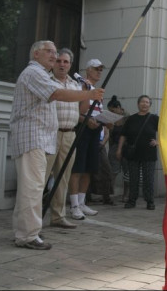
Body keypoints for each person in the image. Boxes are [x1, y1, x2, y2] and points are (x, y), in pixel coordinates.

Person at [10, 40, 103, 250]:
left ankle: (23, 230)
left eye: (55, 52)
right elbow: (57, 94)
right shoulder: (34, 73)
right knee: (33, 187)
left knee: (31, 187)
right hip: (32, 138)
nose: (53, 55)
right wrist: (89, 94)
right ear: (35, 54)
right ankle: (28, 235)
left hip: (40, 138)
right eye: (49, 52)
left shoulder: (41, 74)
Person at [44, 48, 84, 229]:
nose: (61, 64)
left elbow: (81, 110)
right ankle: (34, 218)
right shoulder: (46, 81)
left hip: (70, 134)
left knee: (63, 177)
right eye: (59, 61)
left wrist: (90, 93)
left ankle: (58, 216)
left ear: (70, 64)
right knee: (41, 178)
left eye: (65, 62)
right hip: (50, 133)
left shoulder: (76, 85)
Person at [68, 59, 105, 220]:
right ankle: (74, 204)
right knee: (78, 167)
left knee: (89, 168)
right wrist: (86, 120)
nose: (99, 72)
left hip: (95, 129)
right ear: (88, 70)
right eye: (96, 69)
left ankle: (82, 201)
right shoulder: (82, 85)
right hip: (82, 129)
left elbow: (97, 111)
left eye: (101, 69)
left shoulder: (95, 89)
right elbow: (77, 110)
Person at [118, 95, 160, 210]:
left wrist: (158, 141)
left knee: (148, 178)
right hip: (133, 153)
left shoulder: (154, 118)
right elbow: (123, 135)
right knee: (133, 178)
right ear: (138, 104)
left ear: (150, 105)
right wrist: (119, 149)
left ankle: (150, 201)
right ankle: (132, 200)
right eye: (142, 102)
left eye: (147, 102)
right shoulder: (131, 119)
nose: (144, 104)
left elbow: (166, 130)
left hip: (149, 153)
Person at [102, 96, 128, 203]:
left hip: (127, 148)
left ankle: (126, 195)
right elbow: (109, 134)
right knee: (112, 171)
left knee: (127, 173)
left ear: (119, 108)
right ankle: (107, 195)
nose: (111, 113)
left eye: (112, 110)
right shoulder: (111, 119)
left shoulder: (128, 118)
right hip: (114, 147)